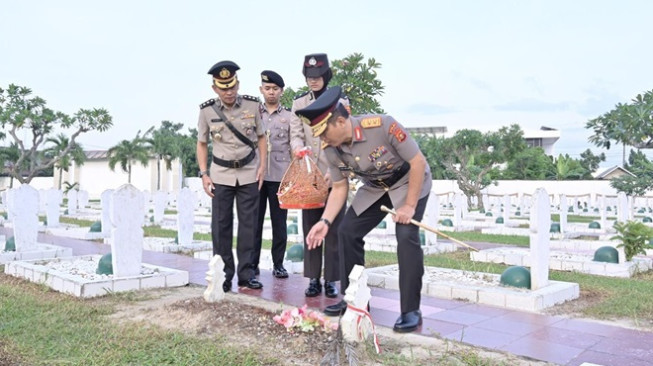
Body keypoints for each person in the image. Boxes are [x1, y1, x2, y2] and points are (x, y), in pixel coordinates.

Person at [296, 86, 432, 333]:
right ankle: (355, 301)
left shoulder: (382, 126)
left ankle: (411, 310)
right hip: (375, 188)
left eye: (324, 133)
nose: (322, 140)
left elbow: (417, 162)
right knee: (347, 232)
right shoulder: (331, 148)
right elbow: (339, 188)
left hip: (408, 182)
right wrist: (325, 222)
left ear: (340, 121)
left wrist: (409, 206)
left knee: (405, 236)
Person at [196, 60, 267, 292]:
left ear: (238, 84)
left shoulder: (252, 106)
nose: (229, 92)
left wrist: (262, 167)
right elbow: (202, 143)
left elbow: (262, 137)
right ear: (215, 88)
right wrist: (204, 174)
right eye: (223, 87)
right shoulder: (207, 111)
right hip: (220, 175)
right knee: (221, 226)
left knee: (249, 226)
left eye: (232, 86)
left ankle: (247, 275)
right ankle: (224, 275)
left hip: (248, 173)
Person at [289, 53, 348, 298]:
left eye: (317, 76)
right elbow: (295, 133)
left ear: (325, 76)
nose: (313, 81)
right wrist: (297, 150)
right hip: (309, 173)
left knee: (333, 228)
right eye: (308, 77)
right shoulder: (299, 104)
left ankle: (331, 279)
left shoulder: (340, 101)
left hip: (334, 173)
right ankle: (313, 278)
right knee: (311, 225)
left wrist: (337, 171)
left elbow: (343, 136)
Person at [252, 70, 292, 279]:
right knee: (254, 222)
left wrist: (294, 176)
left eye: (275, 89)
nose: (271, 92)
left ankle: (278, 264)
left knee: (279, 224)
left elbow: (293, 146)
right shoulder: (254, 114)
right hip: (256, 177)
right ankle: (252, 263)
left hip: (280, 177)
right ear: (261, 90)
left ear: (281, 91)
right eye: (267, 88)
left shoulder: (289, 117)